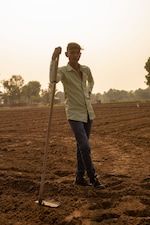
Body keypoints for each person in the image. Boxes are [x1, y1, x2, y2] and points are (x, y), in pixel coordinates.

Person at [50, 42, 105, 189]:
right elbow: (53, 79)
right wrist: (54, 59)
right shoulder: (63, 71)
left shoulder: (86, 69)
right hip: (74, 113)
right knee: (85, 146)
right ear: (67, 54)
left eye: (77, 52)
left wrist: (88, 91)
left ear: (80, 54)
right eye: (72, 52)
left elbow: (91, 82)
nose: (75, 55)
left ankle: (79, 177)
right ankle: (93, 178)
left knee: (81, 146)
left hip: (88, 112)